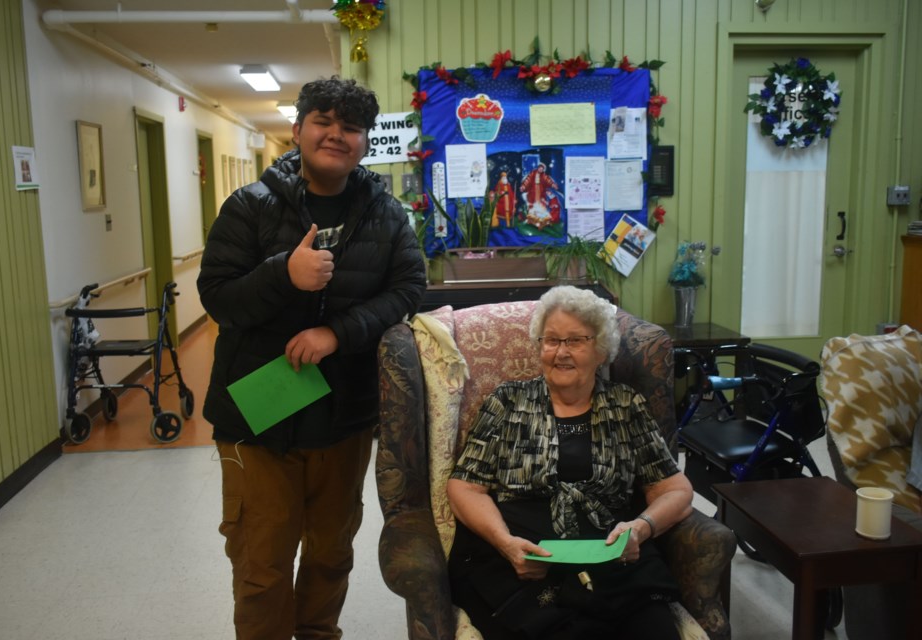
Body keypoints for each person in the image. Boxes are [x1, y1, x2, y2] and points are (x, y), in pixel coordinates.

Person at [197, 76, 426, 640]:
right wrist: (284, 274)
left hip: (344, 417)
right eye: (323, 121)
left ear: (365, 142)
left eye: (350, 127)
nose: (336, 134)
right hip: (258, 418)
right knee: (261, 561)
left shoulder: (388, 214)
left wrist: (337, 333)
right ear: (298, 130)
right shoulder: (248, 207)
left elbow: (408, 288)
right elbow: (217, 296)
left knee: (330, 553)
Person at [446, 286, 693, 639]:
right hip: (523, 560)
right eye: (551, 341)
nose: (561, 352)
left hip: (611, 559)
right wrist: (504, 543)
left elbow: (674, 488)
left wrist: (642, 527)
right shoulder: (508, 402)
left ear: (600, 350)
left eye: (575, 341)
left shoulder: (626, 405)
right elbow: (464, 486)